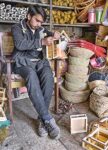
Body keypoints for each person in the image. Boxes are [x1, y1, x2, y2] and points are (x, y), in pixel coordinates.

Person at [11, 5, 60, 139]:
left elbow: (48, 33)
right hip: (22, 62)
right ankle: (47, 119)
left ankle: (41, 120)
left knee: (48, 75)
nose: (39, 24)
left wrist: (54, 34)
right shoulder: (17, 28)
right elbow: (20, 44)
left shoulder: (41, 28)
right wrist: (42, 41)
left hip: (38, 62)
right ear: (29, 17)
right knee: (32, 76)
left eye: (41, 22)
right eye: (37, 20)